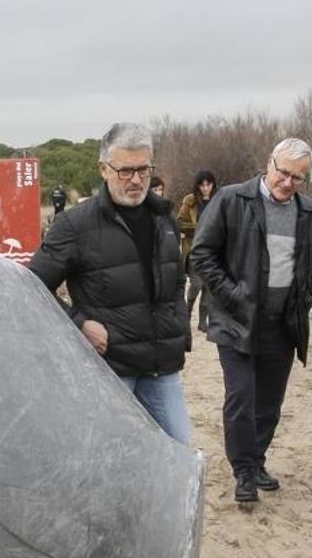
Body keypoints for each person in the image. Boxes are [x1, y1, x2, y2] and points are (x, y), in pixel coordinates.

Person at [29, 123, 192, 444]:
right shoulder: (74, 225)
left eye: (144, 170)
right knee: (109, 456)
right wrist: (79, 324)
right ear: (103, 169)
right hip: (110, 370)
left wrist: (179, 323)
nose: (136, 180)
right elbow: (32, 286)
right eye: (125, 171)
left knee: (181, 453)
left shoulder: (164, 218)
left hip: (162, 367)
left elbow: (177, 279)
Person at [190, 138, 312, 506]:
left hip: (283, 324)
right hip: (236, 320)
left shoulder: (310, 213)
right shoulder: (232, 200)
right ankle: (244, 472)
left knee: (269, 402)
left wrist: (304, 295)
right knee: (241, 396)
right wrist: (233, 294)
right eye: (284, 173)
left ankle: (257, 460)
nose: (288, 183)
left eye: (298, 178)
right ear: (269, 163)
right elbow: (202, 254)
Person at [176, 171, 218, 333]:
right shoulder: (190, 201)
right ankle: (186, 315)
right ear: (197, 186)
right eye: (202, 185)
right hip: (194, 249)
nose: (205, 188)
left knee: (208, 286)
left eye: (208, 184)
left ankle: (202, 321)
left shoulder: (218, 200)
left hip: (212, 250)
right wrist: (200, 227)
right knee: (196, 283)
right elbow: (180, 223)